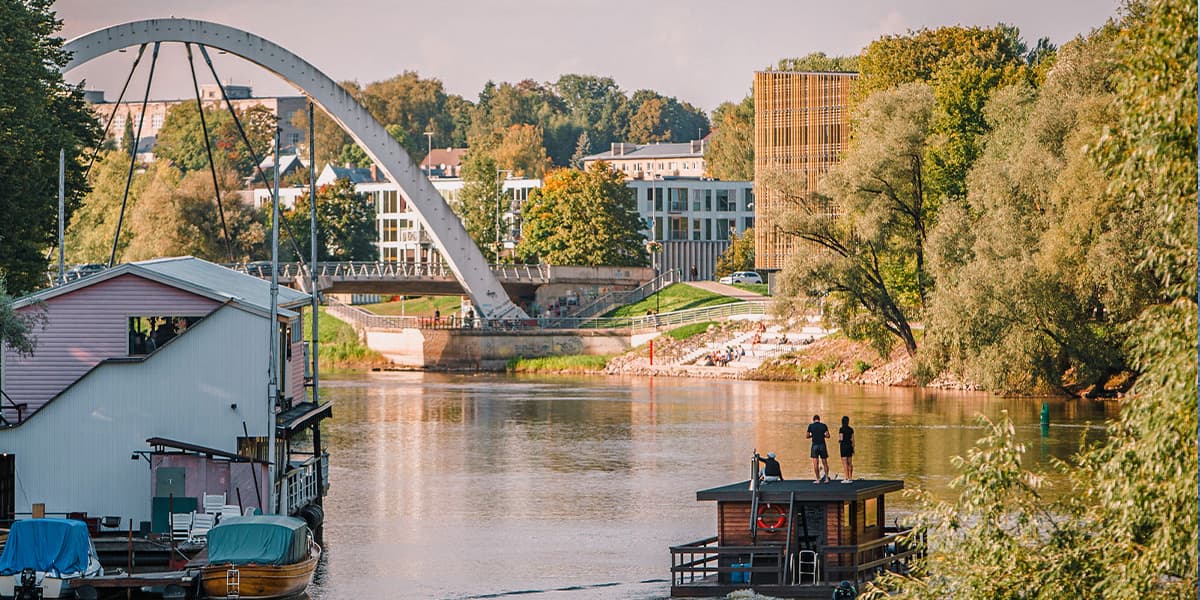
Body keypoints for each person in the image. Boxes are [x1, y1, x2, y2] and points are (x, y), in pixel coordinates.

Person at [806, 414, 831, 483]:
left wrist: (812, 435)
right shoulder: (823, 425)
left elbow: (807, 436)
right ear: (819, 419)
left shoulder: (811, 426)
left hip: (814, 445)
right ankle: (826, 478)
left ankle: (818, 479)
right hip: (822, 445)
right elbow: (828, 435)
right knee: (825, 462)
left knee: (815, 463)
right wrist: (823, 435)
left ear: (813, 420)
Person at [839, 415, 855, 483]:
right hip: (849, 446)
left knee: (844, 463)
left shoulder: (841, 429)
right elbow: (853, 440)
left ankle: (846, 478)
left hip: (843, 446)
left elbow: (841, 438)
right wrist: (853, 448)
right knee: (850, 463)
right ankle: (850, 478)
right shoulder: (851, 429)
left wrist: (839, 441)